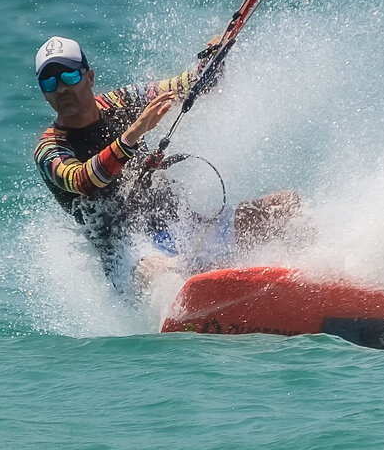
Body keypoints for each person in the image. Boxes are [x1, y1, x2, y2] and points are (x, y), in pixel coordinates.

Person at [31, 35, 303, 294]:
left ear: (89, 77)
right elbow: (84, 181)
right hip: (131, 261)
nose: (62, 88)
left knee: (286, 207)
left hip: (184, 227)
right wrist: (133, 134)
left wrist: (215, 57)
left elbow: (193, 85)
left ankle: (316, 283)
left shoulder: (120, 101)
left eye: (69, 76)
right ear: (44, 93)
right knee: (166, 276)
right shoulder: (50, 149)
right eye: (50, 83)